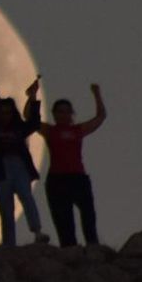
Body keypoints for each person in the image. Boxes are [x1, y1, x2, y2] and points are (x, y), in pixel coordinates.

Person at [0, 77, 49, 247]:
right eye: (3, 112)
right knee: (6, 208)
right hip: (0, 168)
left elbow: (33, 123)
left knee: (26, 197)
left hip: (19, 166)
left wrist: (32, 96)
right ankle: (9, 243)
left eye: (9, 112)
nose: (6, 116)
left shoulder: (18, 127)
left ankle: (38, 232)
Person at [39, 84, 106, 247]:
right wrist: (32, 97)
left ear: (71, 114)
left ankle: (93, 246)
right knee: (63, 219)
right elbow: (30, 119)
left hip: (78, 177)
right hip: (57, 180)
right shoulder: (50, 130)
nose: (63, 114)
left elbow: (100, 117)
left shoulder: (78, 130)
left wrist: (97, 95)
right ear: (54, 114)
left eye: (66, 111)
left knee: (88, 214)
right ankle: (70, 250)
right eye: (59, 111)